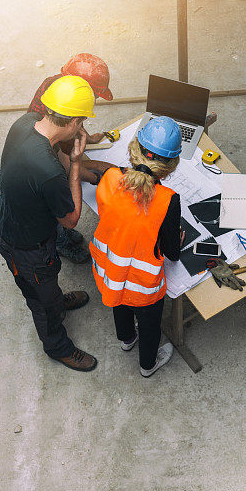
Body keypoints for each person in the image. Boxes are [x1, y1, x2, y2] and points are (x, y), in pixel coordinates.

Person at [0, 75, 99, 372]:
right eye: (82, 122)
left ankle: (55, 298)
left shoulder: (25, 123)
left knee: (47, 283)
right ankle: (57, 347)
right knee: (42, 301)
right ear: (74, 122)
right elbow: (70, 220)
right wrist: (77, 164)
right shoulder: (49, 172)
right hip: (26, 246)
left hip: (11, 218)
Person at [90, 116, 184, 377]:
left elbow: (115, 217)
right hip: (143, 285)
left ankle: (126, 339)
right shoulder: (168, 201)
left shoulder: (109, 178)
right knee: (150, 324)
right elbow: (172, 253)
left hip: (110, 271)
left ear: (134, 150)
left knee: (119, 304)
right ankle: (147, 365)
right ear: (170, 166)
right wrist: (176, 239)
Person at [29, 54, 114, 265]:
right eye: (93, 95)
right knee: (57, 213)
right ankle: (61, 243)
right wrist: (92, 177)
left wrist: (88, 136)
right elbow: (64, 165)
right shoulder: (46, 151)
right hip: (53, 166)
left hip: (60, 147)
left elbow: (76, 112)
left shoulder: (61, 89)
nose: (94, 100)